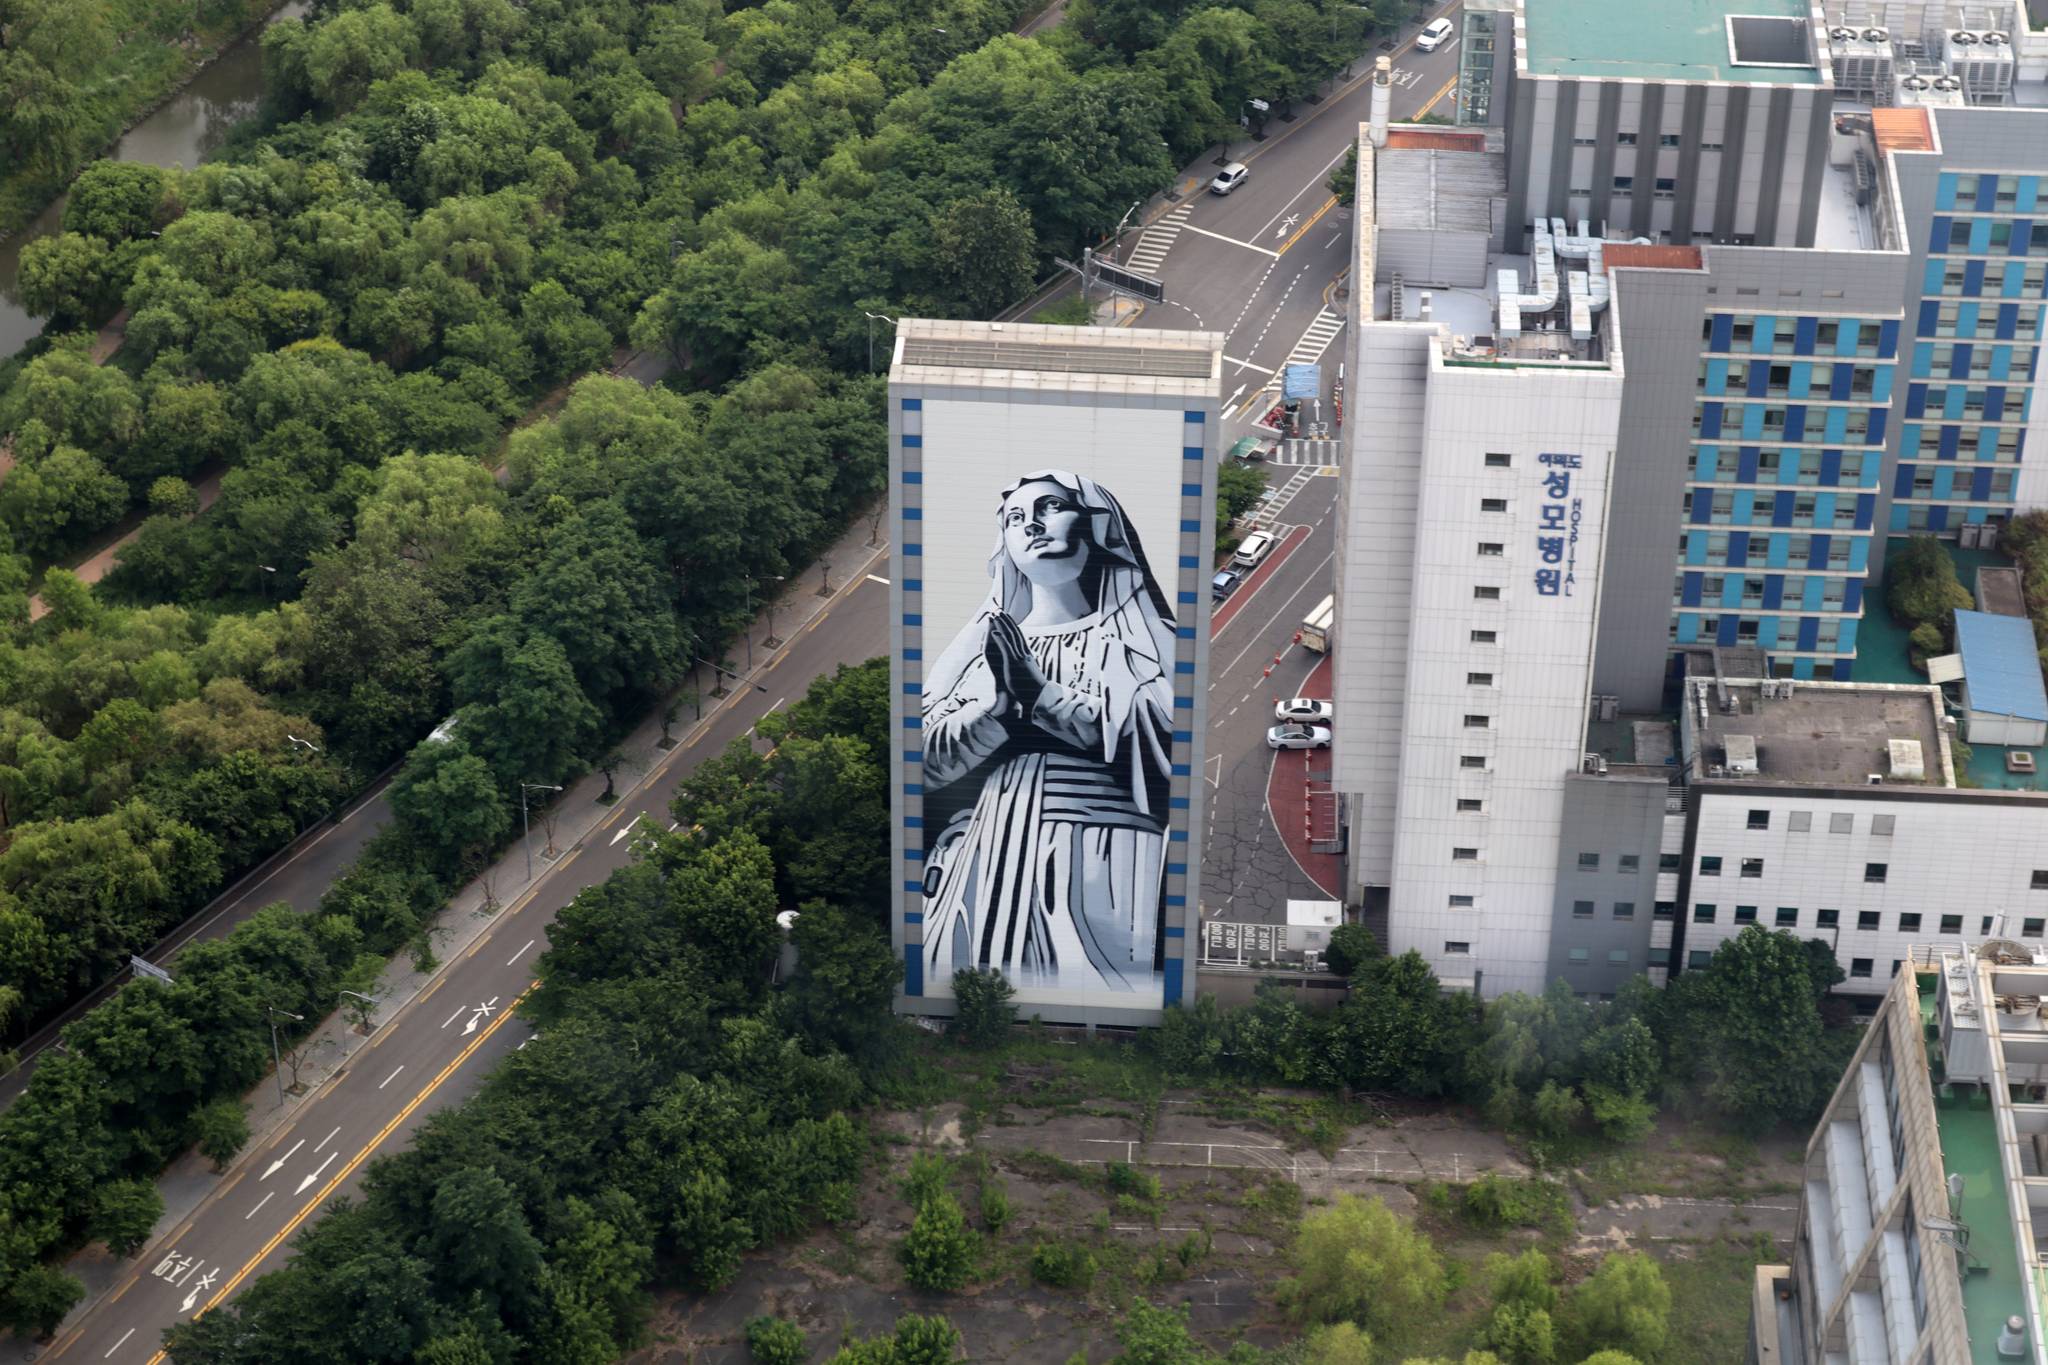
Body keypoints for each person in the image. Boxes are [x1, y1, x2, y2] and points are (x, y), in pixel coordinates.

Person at [920, 469, 1177, 996]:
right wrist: (995, 709)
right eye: (1016, 518)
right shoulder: (990, 646)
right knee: (977, 976)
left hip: (1102, 848)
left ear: (1098, 526)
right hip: (990, 842)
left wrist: (1043, 696)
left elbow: (1166, 737)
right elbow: (926, 758)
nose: (1032, 525)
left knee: (1097, 984)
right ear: (1006, 546)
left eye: (1051, 507)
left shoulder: (1142, 637)